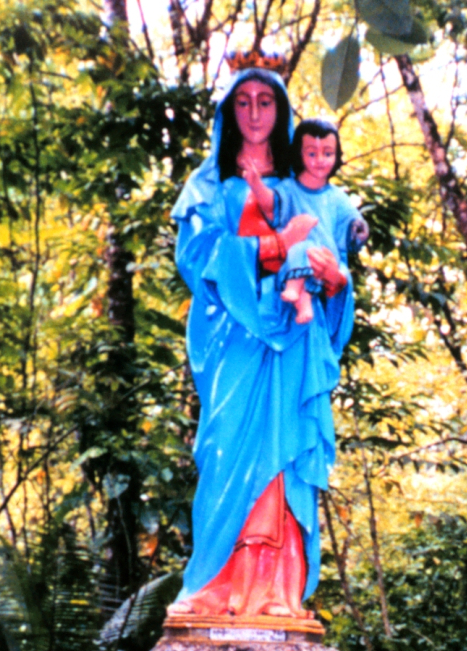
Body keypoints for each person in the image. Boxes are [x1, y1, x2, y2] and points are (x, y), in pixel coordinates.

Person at [167, 65, 355, 621]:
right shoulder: (205, 187)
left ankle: (276, 593)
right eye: (243, 102)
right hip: (234, 341)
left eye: (265, 102)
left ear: (281, 112)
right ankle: (213, 588)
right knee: (227, 452)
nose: (253, 113)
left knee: (284, 458)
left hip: (294, 343)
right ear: (229, 112)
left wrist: (338, 283)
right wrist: (273, 249)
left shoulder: (306, 189)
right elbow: (198, 262)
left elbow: (333, 273)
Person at [242, 118, 368, 326]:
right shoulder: (289, 189)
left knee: (311, 255)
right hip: (292, 262)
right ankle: (300, 296)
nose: (320, 160)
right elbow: (271, 204)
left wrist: (360, 231)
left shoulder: (337, 198)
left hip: (325, 264)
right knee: (301, 251)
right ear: (299, 154)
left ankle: (304, 296)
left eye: (327, 153)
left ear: (336, 156)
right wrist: (256, 184)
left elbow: (352, 226)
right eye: (312, 153)